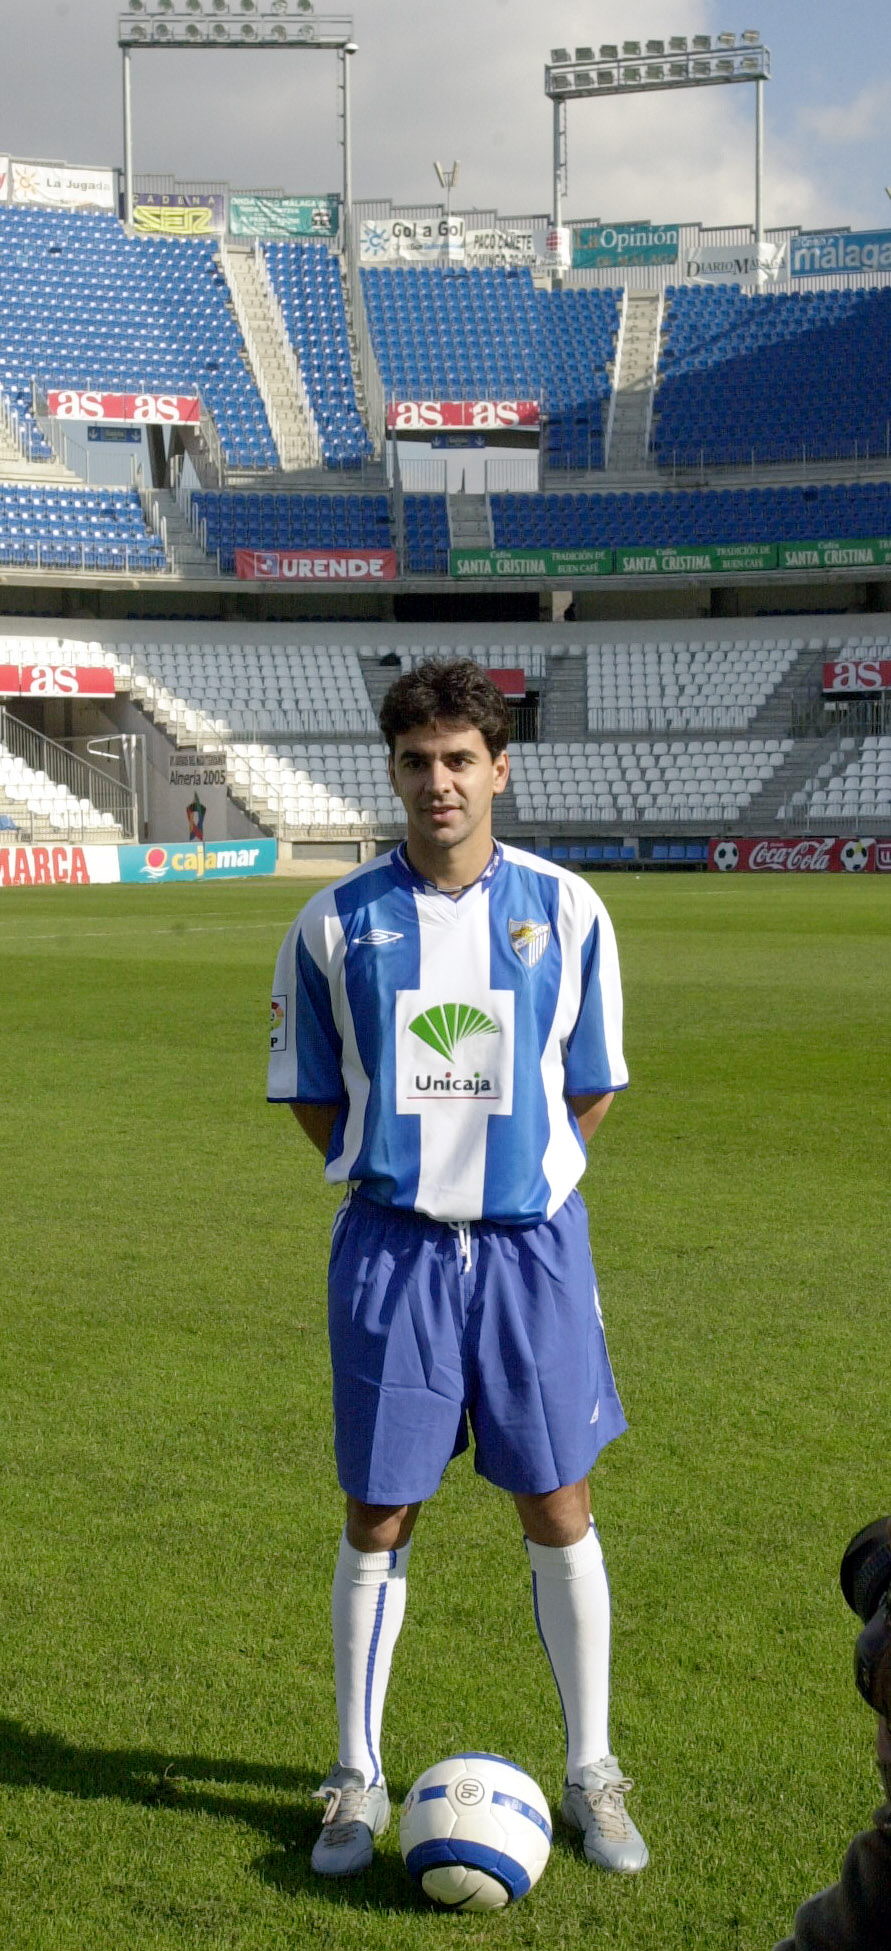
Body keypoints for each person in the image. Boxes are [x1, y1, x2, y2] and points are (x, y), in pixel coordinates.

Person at [267, 658, 647, 1881]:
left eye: (460, 759)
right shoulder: (332, 923)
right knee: (379, 1513)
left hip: (533, 1251)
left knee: (559, 1500)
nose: (439, 782)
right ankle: (355, 1773)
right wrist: (412, 1179)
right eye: (417, 761)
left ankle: (593, 1767)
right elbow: (315, 1098)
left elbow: (587, 1086)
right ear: (394, 771)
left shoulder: (569, 908)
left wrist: (510, 1182)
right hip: (395, 1252)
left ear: (499, 768)